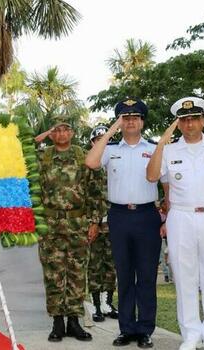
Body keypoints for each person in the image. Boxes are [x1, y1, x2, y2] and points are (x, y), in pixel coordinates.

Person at [146, 96, 204, 350]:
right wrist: (163, 141)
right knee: (184, 275)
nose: (190, 125)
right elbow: (153, 176)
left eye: (194, 119)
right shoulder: (169, 149)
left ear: (203, 121)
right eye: (184, 120)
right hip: (181, 217)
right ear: (179, 123)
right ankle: (190, 333)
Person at [85, 97, 163, 348]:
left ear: (142, 121)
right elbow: (91, 162)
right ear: (120, 121)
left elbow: (168, 184)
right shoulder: (111, 150)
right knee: (125, 274)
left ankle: (145, 329)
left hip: (147, 216)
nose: (130, 122)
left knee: (147, 276)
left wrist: (166, 217)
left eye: (135, 117)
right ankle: (126, 329)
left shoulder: (154, 148)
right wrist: (110, 130)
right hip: (119, 217)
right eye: (125, 118)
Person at [37, 117, 104, 343]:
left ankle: (74, 321)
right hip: (50, 226)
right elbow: (19, 149)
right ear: (51, 133)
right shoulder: (42, 157)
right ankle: (57, 322)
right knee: (53, 274)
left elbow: (96, 191)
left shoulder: (84, 157)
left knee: (77, 273)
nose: (62, 134)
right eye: (56, 130)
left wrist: (95, 221)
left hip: (79, 224)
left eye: (66, 130)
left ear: (73, 133)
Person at [86, 125, 119, 323]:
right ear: (92, 143)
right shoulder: (89, 165)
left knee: (111, 264)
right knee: (94, 265)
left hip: (114, 222)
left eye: (105, 139)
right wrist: (92, 221)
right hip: (95, 222)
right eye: (97, 140)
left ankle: (108, 303)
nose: (102, 143)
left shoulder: (117, 162)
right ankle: (96, 305)